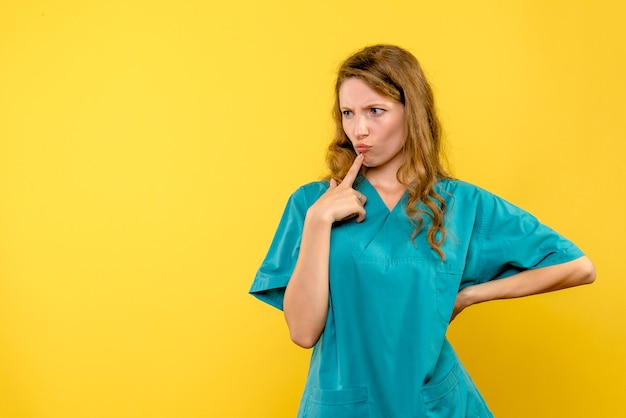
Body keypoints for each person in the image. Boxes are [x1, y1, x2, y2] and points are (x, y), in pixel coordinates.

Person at [249, 44, 595, 418]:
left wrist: (468, 297)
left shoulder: (461, 205)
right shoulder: (311, 204)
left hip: (434, 404)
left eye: (375, 111)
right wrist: (318, 224)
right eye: (348, 113)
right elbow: (302, 332)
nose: (358, 129)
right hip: (346, 406)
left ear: (411, 113)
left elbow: (577, 267)